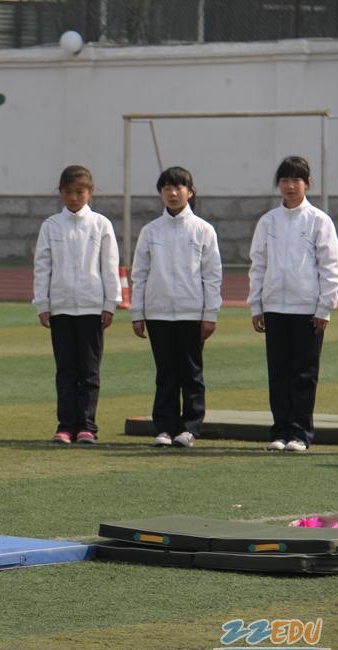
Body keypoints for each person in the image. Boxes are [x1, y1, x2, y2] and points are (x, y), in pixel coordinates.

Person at [248, 156, 338, 452]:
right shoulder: (268, 221)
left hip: (306, 310)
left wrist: (324, 307)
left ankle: (300, 433)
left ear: (307, 183)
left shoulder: (318, 221)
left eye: (295, 180)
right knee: (278, 372)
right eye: (284, 180)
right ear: (278, 185)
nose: (290, 186)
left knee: (304, 373)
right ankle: (280, 431)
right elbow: (258, 265)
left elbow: (330, 267)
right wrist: (255, 305)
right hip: (275, 307)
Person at [131, 166, 222, 448]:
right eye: (167, 188)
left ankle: (190, 428)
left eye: (178, 187)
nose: (172, 193)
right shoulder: (150, 231)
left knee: (191, 374)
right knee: (166, 374)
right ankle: (165, 428)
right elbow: (140, 274)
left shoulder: (203, 230)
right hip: (158, 312)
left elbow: (212, 275)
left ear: (190, 192)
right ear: (160, 193)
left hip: (191, 312)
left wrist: (210, 315)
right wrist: (138, 313)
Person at [32, 165, 121, 444]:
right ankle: (66, 425)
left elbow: (110, 265)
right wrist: (42, 303)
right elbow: (42, 266)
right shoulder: (51, 226)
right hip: (60, 307)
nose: (74, 198)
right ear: (60, 194)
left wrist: (110, 303)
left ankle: (87, 426)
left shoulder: (101, 224)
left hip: (92, 307)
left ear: (90, 192)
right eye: (68, 192)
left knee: (89, 371)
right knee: (66, 370)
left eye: (79, 192)